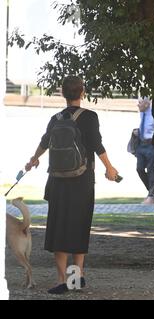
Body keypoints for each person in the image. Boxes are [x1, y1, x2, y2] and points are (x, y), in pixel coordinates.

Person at [25, 76, 119, 294]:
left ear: (62, 93)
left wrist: (33, 160)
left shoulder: (55, 118)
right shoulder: (90, 117)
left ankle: (61, 281)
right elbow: (97, 144)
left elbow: (44, 142)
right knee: (79, 225)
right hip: (82, 180)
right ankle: (76, 278)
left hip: (57, 180)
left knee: (58, 228)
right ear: (82, 92)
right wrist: (110, 168)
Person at [135, 97, 154, 204]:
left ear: (147, 103)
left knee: (150, 169)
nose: (137, 105)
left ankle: (151, 195)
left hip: (151, 144)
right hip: (141, 144)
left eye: (140, 102)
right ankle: (151, 190)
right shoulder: (142, 113)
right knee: (139, 169)